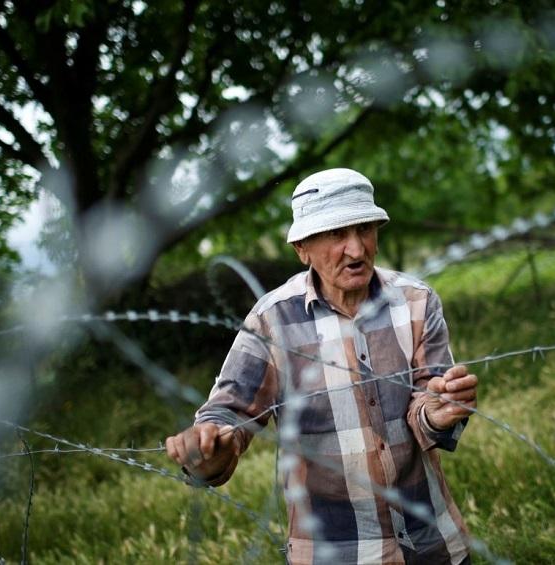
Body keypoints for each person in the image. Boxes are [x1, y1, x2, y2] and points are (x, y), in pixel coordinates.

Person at [166, 168, 478, 564]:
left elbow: (428, 404)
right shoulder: (271, 322)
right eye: (336, 234)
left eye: (365, 229)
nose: (356, 249)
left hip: (434, 545)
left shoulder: (417, 301)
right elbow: (229, 413)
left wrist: (438, 410)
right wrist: (209, 448)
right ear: (301, 248)